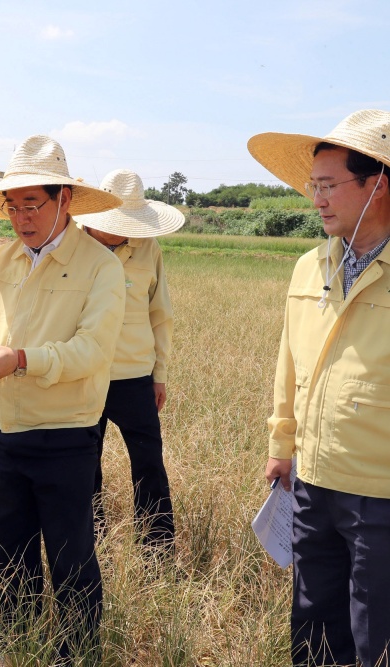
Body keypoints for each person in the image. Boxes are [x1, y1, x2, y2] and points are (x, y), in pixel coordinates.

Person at [0, 135, 124, 661]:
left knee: (71, 555)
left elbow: (91, 351)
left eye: (33, 204)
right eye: (13, 206)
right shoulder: (0, 261)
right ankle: (15, 642)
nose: (22, 217)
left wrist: (22, 359)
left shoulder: (100, 267)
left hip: (65, 434)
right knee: (9, 549)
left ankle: (76, 652)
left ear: (65, 200)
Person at [249, 109, 390, 667]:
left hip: (380, 491)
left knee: (372, 630)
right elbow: (290, 360)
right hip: (311, 479)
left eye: (329, 186)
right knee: (312, 622)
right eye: (314, 186)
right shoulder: (311, 266)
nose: (317, 199)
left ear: (378, 184)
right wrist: (281, 446)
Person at [76, 168, 182, 555]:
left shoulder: (148, 248)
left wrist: (160, 375)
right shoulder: (73, 245)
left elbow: (160, 313)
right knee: (85, 462)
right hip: (83, 373)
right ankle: (92, 537)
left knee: (149, 463)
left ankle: (157, 546)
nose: (119, 232)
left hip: (135, 376)